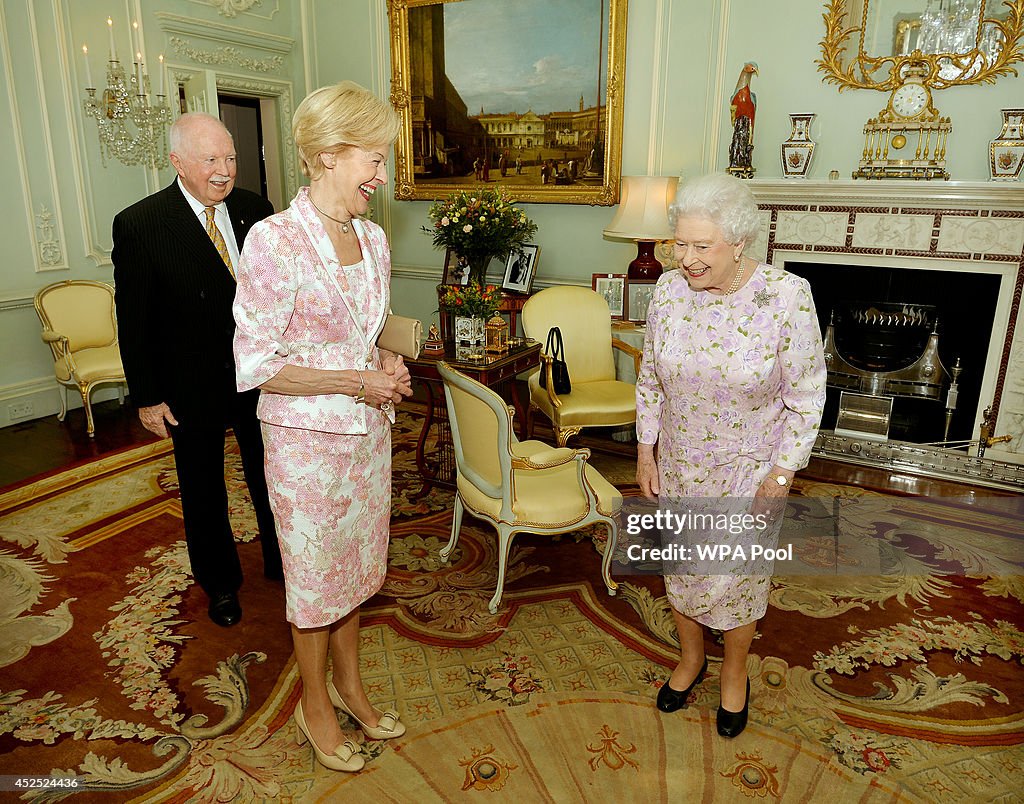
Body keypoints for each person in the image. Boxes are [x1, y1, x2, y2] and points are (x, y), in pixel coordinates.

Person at [233, 81, 413, 774]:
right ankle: (315, 704)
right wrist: (354, 380)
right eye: (373, 158)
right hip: (305, 447)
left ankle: (352, 688)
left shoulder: (372, 236)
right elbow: (256, 364)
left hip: (367, 436)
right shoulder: (274, 241)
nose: (381, 174)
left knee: (357, 573)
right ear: (331, 155)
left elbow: (365, 333)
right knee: (315, 585)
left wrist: (386, 365)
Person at [635, 172, 825, 738]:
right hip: (681, 462)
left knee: (737, 579)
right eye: (680, 244)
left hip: (751, 471)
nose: (686, 259)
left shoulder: (786, 297)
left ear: (738, 243)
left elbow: (808, 395)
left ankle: (734, 671)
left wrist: (784, 471)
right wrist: (647, 451)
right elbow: (650, 379)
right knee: (682, 571)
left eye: (701, 247)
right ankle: (691, 659)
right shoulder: (668, 292)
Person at [112, 112, 283, 629]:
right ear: (177, 162)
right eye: (210, 159)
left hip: (259, 378)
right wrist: (147, 394)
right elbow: (134, 318)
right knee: (203, 489)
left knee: (270, 474)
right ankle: (221, 585)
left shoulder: (257, 211)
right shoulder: (141, 224)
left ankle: (283, 560)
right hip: (189, 384)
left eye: (230, 158)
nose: (224, 170)